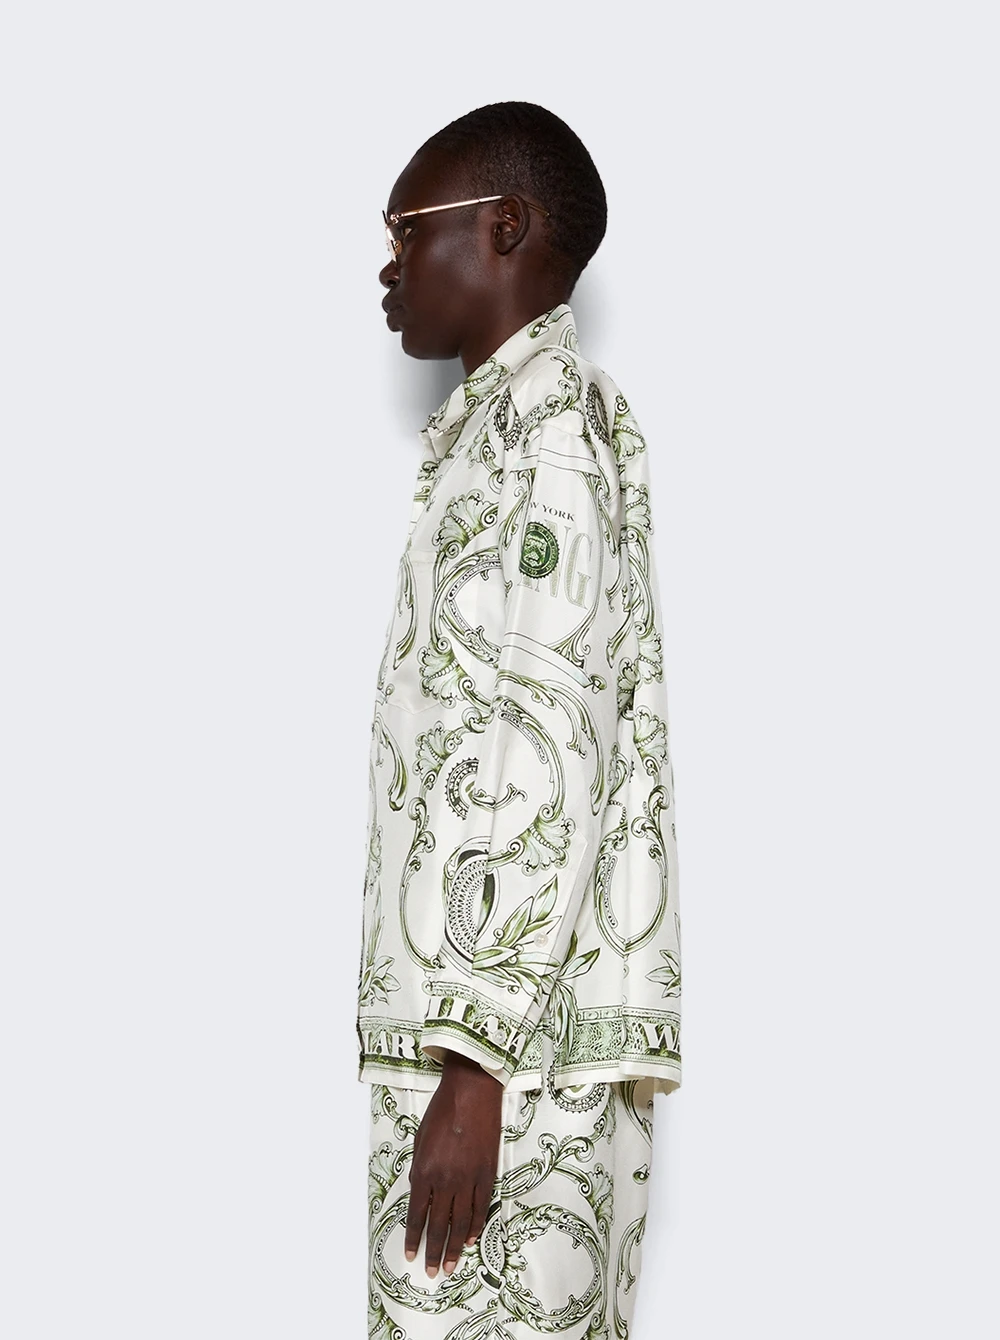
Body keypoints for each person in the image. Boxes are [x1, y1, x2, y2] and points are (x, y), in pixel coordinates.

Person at [357, 101, 681, 1338]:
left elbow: (549, 744)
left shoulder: (548, 434)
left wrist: (474, 1067)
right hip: (482, 1040)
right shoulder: (498, 428)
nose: (387, 265)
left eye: (406, 229)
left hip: (509, 1056)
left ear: (504, 227)